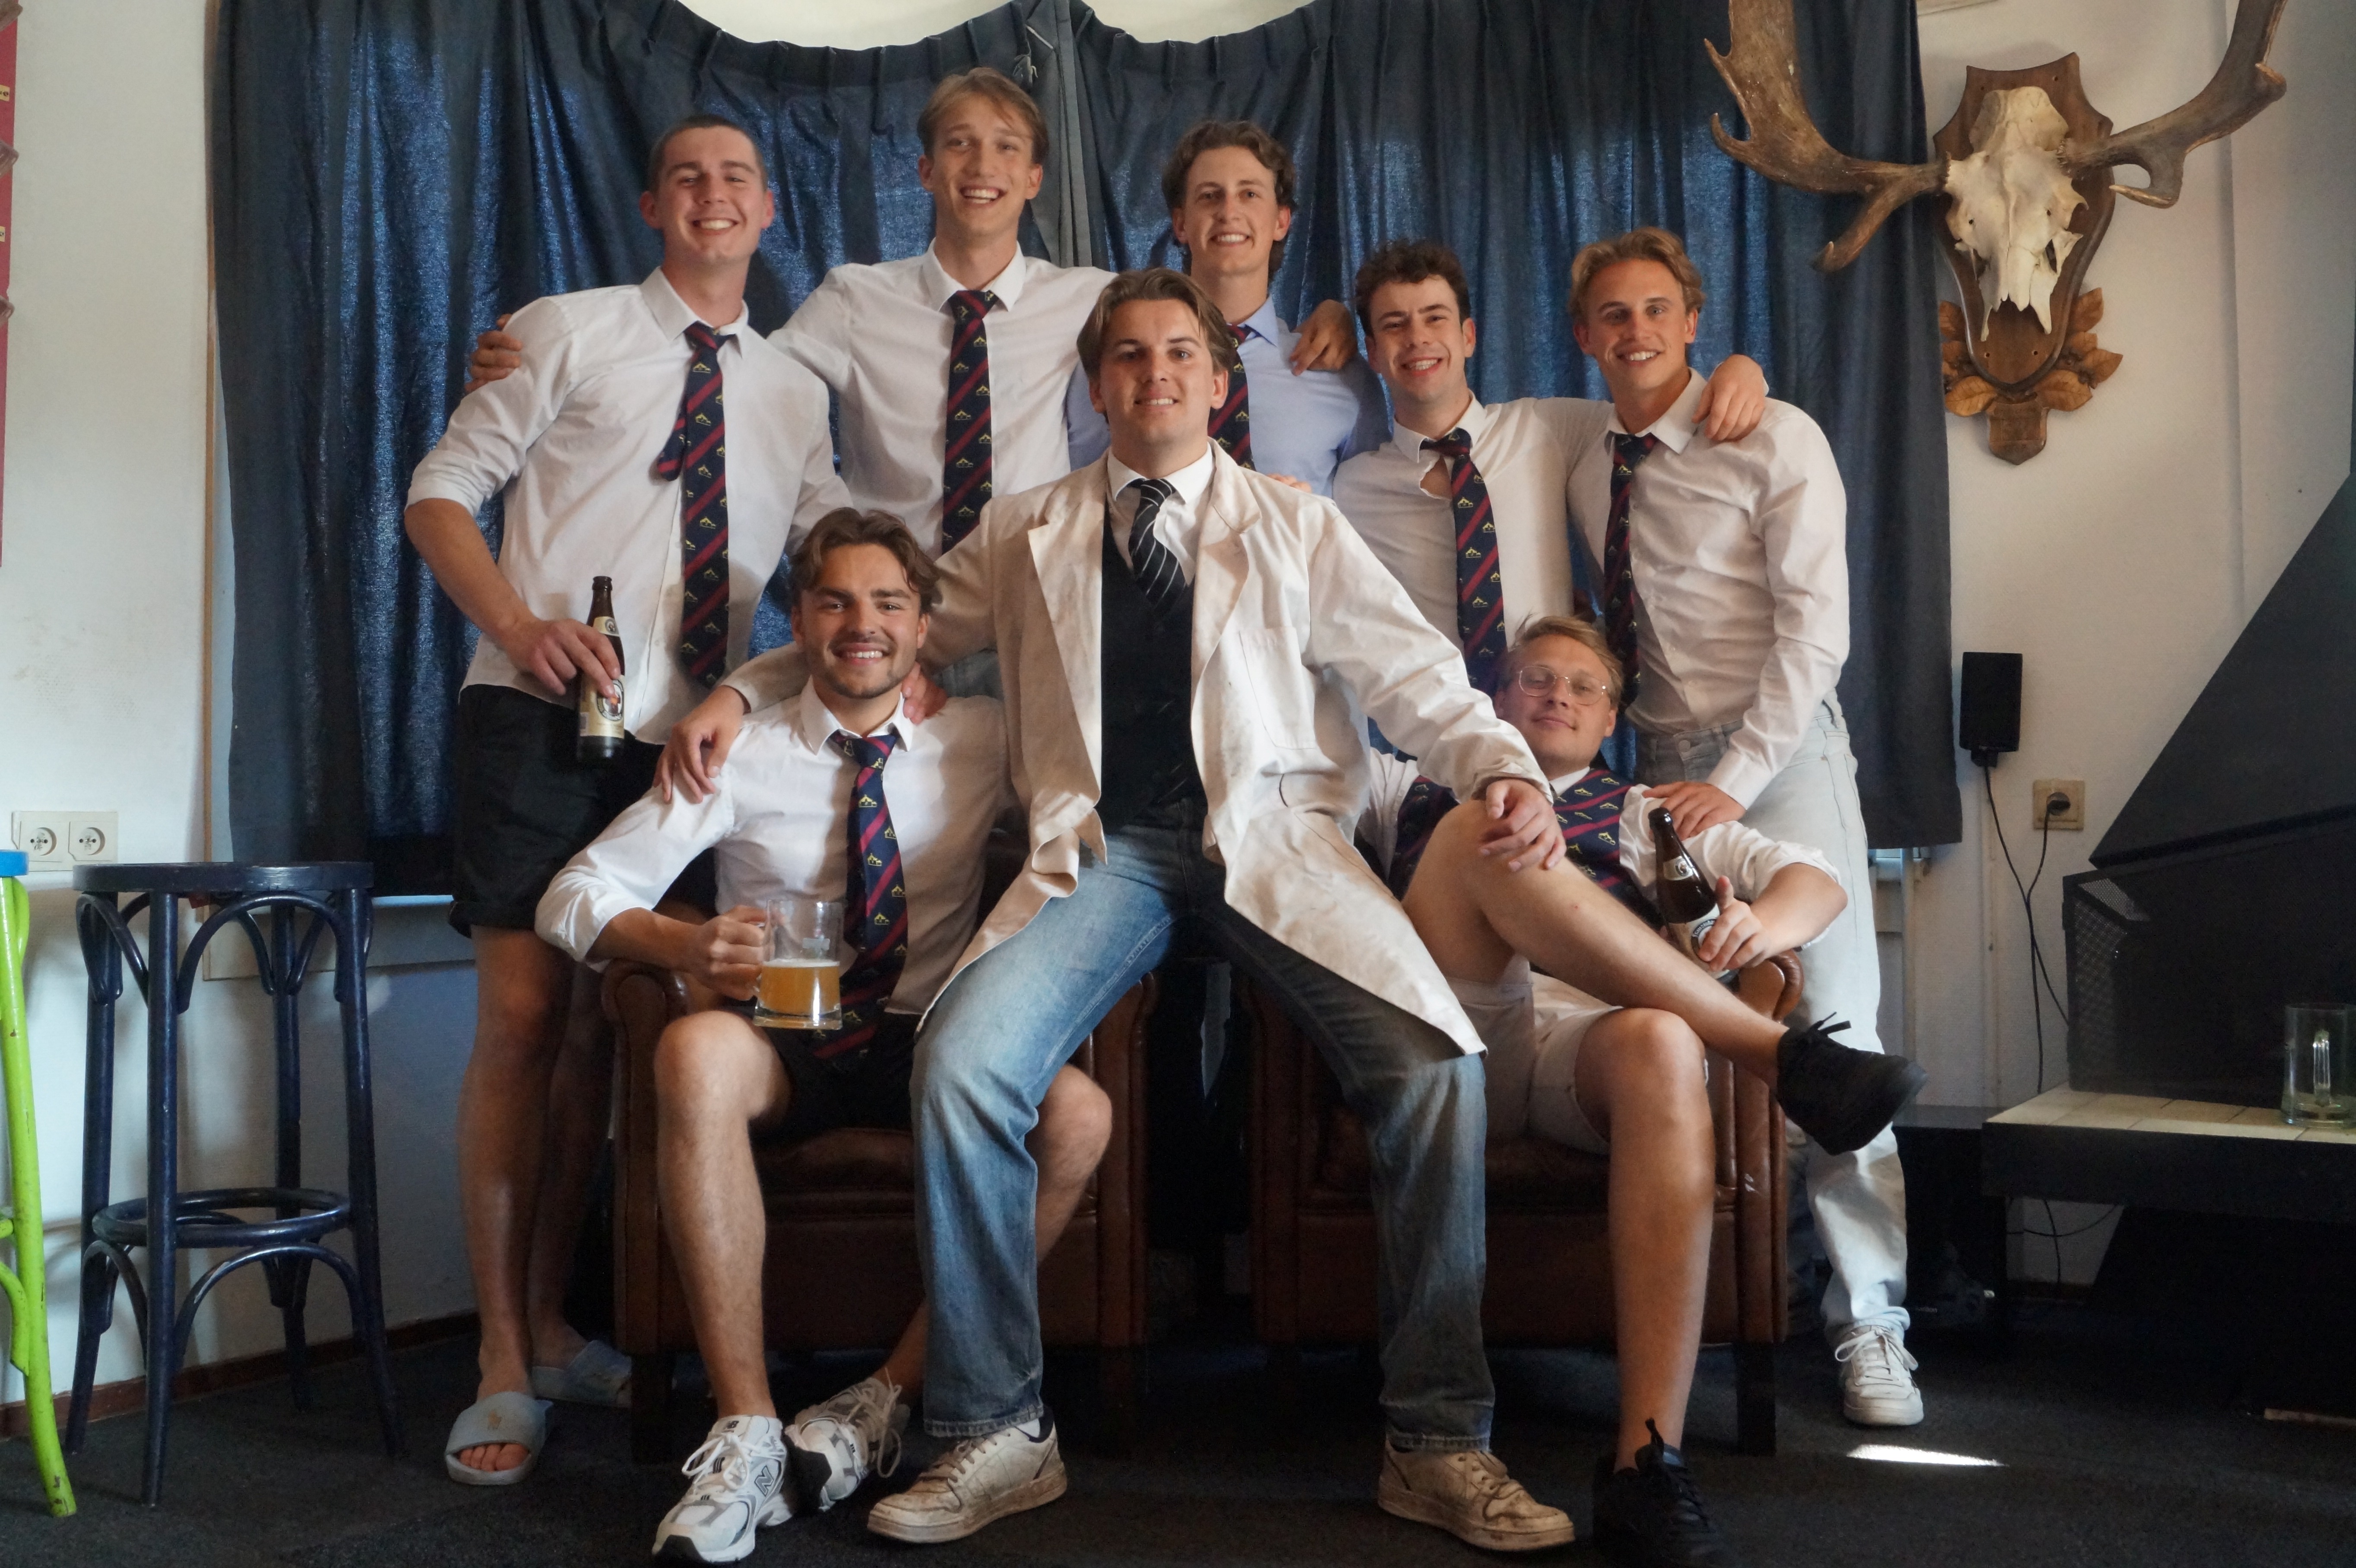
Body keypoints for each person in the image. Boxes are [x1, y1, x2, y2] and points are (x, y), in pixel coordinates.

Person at [659, 267, 1874, 1552]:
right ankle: (995, 1425)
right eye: (1129, 356)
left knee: (1434, 1062)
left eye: (1179, 352)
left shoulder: (1292, 522)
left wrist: (1504, 769)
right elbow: (876, 628)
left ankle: (1437, 1438)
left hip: (1273, 845)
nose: (1155, 374)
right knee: (961, 1062)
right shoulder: (1028, 530)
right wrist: (740, 690)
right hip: (1103, 853)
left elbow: (1416, 676)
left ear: (1217, 378)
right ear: (1097, 384)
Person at [402, 114, 849, 1484]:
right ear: (655, 203)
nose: (714, 195)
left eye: (738, 178)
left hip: (677, 752)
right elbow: (438, 496)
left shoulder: (794, 388)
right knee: (525, 1017)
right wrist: (519, 624)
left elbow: (829, 563)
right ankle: (497, 1354)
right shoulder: (564, 330)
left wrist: (825, 669)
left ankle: (552, 1324)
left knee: (606, 1030)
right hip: (537, 718)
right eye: (688, 177)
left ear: (768, 210)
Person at [535, 509, 1111, 1563]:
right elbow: (571, 895)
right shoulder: (736, 751)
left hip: (925, 1036)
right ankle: (747, 1430)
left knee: (1079, 1113)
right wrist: (683, 942)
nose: (862, 624)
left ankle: (879, 1399)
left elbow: (1090, 795)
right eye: (835, 602)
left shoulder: (984, 737)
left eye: (889, 602)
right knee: (690, 1051)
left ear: (925, 626)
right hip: (785, 1034)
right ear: (797, 622)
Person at [1365, 616, 1919, 1568]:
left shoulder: (1643, 814)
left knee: (1665, 1040)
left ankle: (1645, 1462)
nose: (1558, 695)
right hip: (1454, 1042)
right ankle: (1778, 1055)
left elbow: (1815, 878)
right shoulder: (1399, 786)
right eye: (1536, 678)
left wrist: (1758, 927)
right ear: (1492, 700)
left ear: (1611, 720)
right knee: (1482, 823)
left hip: (1579, 1050)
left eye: (1584, 687)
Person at [1563, 226, 1921, 1426]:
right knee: (1701, 1025)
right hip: (1660, 771)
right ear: (1584, 334)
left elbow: (1817, 633)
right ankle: (1746, 1301)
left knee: (1833, 1021)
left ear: (1692, 320)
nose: (1636, 331)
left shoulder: (1775, 435)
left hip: (1782, 753)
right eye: (1614, 314)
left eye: (1655, 310)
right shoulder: (1584, 459)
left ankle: (1871, 1324)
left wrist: (1738, 774)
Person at [470, 74, 1360, 556]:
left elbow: (1197, 323)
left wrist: (1329, 315)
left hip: (1040, 592)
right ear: (926, 172)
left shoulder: (1090, 296)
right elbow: (735, 376)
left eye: (1006, 147)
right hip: (897, 607)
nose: (982, 164)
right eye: (959, 144)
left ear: (1034, 178)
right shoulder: (854, 299)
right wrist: (562, 357)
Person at [1334, 240, 1764, 696]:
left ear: (1468, 336)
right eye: (1394, 324)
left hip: (1557, 716)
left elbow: (1657, 409)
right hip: (1436, 728)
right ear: (1373, 352)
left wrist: (1741, 369)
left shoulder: (1550, 428)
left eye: (1435, 318)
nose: (1417, 338)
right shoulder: (1351, 487)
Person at [1136, 118, 1389, 493]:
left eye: (1250, 194)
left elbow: (1370, 516)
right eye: (1209, 196)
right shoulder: (1133, 365)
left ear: (1281, 221)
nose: (1229, 212)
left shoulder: (1343, 378)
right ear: (1181, 223)